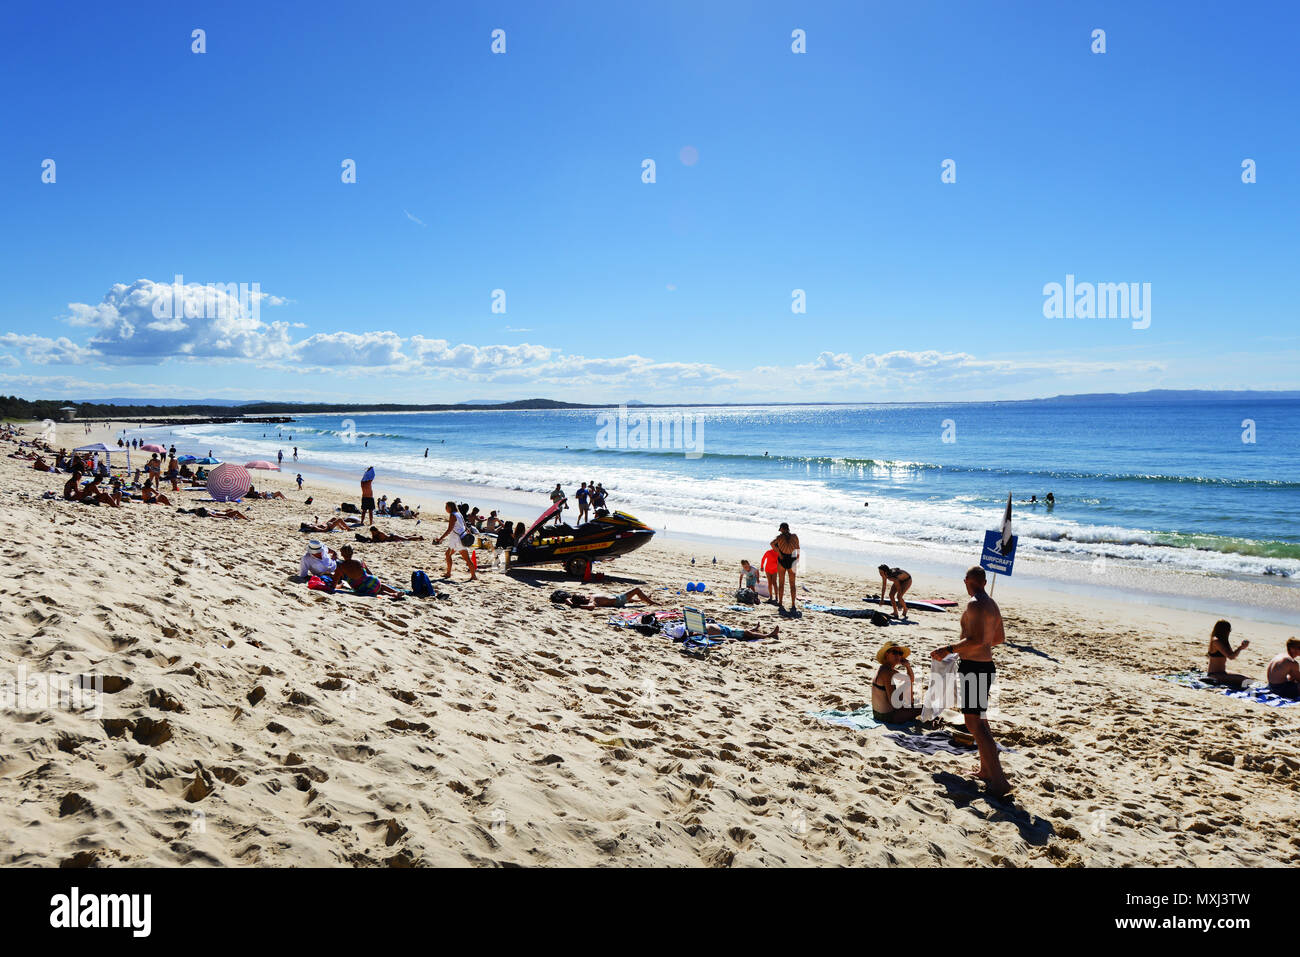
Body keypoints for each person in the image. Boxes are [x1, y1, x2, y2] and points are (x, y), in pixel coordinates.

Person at [930, 566, 1011, 797]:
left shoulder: (975, 604)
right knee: (980, 722)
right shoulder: (992, 604)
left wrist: (949, 649)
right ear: (984, 582)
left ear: (966, 581)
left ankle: (1000, 781)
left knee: (974, 724)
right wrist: (978, 647)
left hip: (974, 669)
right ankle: (987, 771)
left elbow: (975, 639)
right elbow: (999, 638)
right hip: (983, 666)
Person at [873, 641, 922, 723]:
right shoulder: (887, 673)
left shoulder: (887, 669)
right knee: (924, 708)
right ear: (886, 654)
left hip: (878, 714)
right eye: (894, 652)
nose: (898, 655)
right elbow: (894, 703)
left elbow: (910, 680)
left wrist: (907, 666)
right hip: (886, 717)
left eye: (900, 653)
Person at [333, 545, 402, 597]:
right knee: (377, 585)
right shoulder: (359, 561)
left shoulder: (341, 567)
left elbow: (334, 584)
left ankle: (391, 594)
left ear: (342, 554)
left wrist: (339, 585)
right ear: (352, 552)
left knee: (369, 588)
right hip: (374, 581)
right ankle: (395, 592)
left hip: (362, 589)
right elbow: (370, 573)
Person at [436, 500, 477, 581]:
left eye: (446, 507)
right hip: (460, 537)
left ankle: (473, 576)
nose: (446, 509)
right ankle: (449, 573)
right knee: (448, 554)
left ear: (450, 507)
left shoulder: (453, 515)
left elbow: (449, 529)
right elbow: (466, 527)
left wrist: (440, 538)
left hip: (457, 540)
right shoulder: (459, 514)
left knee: (466, 558)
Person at [1205, 619, 1251, 688]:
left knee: (1248, 679)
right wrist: (1240, 648)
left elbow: (1233, 655)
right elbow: (1231, 656)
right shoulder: (1216, 641)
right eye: (1229, 630)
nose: (1229, 632)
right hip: (1214, 675)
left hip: (1222, 672)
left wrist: (1241, 647)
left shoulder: (1223, 641)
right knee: (1247, 681)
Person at [770, 522, 800, 613]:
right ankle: (793, 604)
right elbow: (798, 548)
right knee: (792, 584)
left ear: (782, 529)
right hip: (792, 559)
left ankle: (780, 602)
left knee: (781, 582)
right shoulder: (795, 536)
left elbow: (771, 544)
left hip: (782, 559)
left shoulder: (779, 537)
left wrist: (779, 553)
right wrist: (797, 559)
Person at [550, 588, 656, 609]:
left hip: (616, 597)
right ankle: (651, 602)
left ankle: (643, 599)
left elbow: (568, 600)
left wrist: (570, 602)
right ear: (582, 600)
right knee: (636, 590)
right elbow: (591, 607)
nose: (583, 594)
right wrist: (577, 606)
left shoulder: (588, 597)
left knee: (632, 599)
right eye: (582, 596)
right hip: (618, 600)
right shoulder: (591, 601)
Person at [358, 526, 425, 543]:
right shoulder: (375, 534)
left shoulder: (380, 533)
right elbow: (374, 540)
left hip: (393, 537)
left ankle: (419, 537)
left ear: (375, 531)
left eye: (372, 532)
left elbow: (381, 541)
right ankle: (414, 535)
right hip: (391, 537)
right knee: (405, 537)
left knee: (407, 539)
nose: (372, 533)